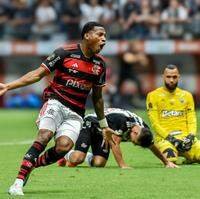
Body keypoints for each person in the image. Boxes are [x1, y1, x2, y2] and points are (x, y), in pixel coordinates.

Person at [0, 21, 115, 196]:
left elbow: (97, 98)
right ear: (87, 35)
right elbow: (38, 74)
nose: (104, 40)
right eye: (100, 35)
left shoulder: (100, 65)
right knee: (45, 135)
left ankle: (30, 165)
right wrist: (8, 86)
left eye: (105, 36)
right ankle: (18, 183)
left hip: (76, 113)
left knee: (64, 147)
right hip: (56, 102)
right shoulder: (64, 53)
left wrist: (104, 125)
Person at [57, 108, 178, 169]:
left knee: (99, 164)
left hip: (104, 132)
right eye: (134, 142)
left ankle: (78, 157)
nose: (133, 143)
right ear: (135, 132)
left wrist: (166, 162)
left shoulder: (143, 129)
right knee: (78, 158)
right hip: (91, 124)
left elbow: (152, 145)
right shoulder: (122, 121)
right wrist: (123, 165)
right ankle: (66, 155)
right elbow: (115, 142)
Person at [146, 64, 200, 163]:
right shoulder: (153, 96)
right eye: (168, 77)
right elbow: (155, 123)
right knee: (171, 159)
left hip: (185, 138)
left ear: (178, 77)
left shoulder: (187, 95)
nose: (171, 80)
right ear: (163, 77)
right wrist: (172, 139)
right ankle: (189, 157)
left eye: (174, 77)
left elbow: (192, 119)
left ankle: (190, 158)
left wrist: (191, 136)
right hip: (165, 139)